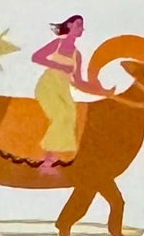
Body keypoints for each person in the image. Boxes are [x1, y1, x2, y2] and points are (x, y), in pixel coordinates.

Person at [29, 15, 103, 167]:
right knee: (61, 114)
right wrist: (60, 66)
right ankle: (48, 157)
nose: (81, 29)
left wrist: (97, 89)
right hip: (48, 86)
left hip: (63, 89)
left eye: (82, 26)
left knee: (71, 114)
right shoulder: (58, 44)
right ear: (69, 25)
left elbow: (78, 81)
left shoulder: (77, 55)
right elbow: (36, 57)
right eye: (78, 25)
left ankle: (57, 154)